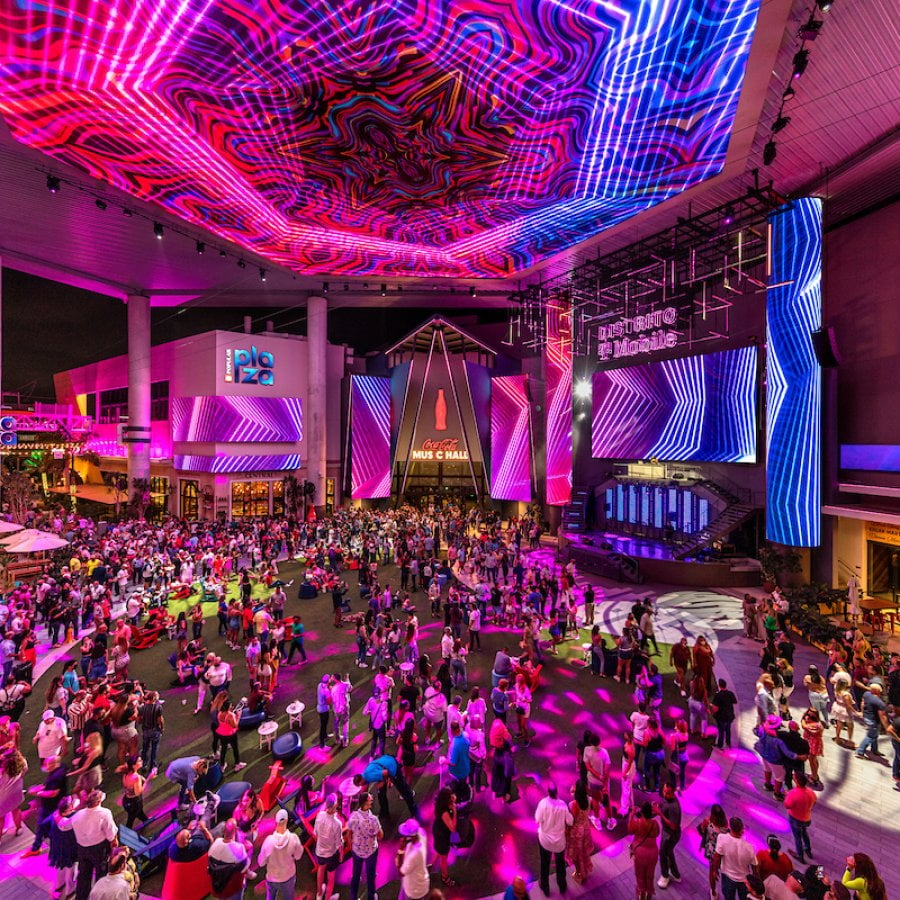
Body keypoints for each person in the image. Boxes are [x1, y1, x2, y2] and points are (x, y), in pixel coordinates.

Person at [57, 788, 118, 900]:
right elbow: (111, 835)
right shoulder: (105, 813)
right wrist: (114, 845)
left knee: (84, 876)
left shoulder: (78, 814)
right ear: (99, 801)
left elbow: (64, 826)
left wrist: (57, 815)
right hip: (99, 850)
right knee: (101, 875)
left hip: (82, 849)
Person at [535, 782, 573, 896]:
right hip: (559, 842)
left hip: (545, 840)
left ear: (548, 793)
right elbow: (570, 821)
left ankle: (545, 888)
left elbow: (537, 819)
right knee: (560, 864)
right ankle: (562, 886)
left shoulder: (542, 803)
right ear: (557, 793)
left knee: (544, 864)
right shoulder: (562, 805)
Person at [258, 808, 303, 900]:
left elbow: (261, 862)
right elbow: (298, 856)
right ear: (286, 820)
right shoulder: (293, 839)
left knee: (270, 897)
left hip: (272, 877)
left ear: (276, 822)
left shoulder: (268, 841)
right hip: (288, 876)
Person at [345, 792, 382, 900]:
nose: (372, 799)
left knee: (356, 875)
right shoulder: (373, 820)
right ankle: (371, 897)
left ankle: (353, 897)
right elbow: (380, 836)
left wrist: (350, 843)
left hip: (357, 850)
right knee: (371, 876)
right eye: (370, 798)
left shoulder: (354, 816)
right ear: (365, 802)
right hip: (370, 851)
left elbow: (349, 831)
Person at [712, 816, 758, 900]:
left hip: (727, 876)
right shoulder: (749, 848)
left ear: (730, 827)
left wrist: (714, 870)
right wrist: (755, 883)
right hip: (744, 879)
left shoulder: (721, 838)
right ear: (742, 830)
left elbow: (717, 857)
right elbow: (754, 867)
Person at [208, 818, 251, 900]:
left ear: (223, 830)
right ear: (235, 830)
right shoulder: (239, 848)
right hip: (233, 887)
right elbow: (245, 868)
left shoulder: (215, 844)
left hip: (218, 885)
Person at [313, 794, 344, 900]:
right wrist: (341, 854)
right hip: (331, 854)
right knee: (331, 878)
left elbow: (315, 833)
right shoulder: (337, 823)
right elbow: (339, 843)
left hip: (320, 851)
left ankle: (319, 894)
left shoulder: (320, 815)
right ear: (335, 805)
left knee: (321, 869)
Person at [627, 801, 660, 900]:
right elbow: (657, 834)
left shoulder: (637, 823)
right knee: (650, 876)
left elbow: (629, 831)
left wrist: (631, 815)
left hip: (640, 854)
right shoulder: (655, 824)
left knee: (640, 876)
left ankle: (641, 896)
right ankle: (649, 897)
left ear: (641, 812)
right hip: (653, 853)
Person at [49, 795, 79, 899]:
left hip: (58, 848)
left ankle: (59, 886)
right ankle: (69, 891)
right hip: (70, 849)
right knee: (70, 870)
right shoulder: (71, 819)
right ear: (69, 808)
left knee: (61, 868)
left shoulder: (55, 815)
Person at [566, 780, 594, 885]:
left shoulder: (573, 804)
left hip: (576, 832)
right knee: (584, 852)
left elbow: (572, 821)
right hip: (586, 829)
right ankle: (585, 869)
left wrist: (567, 832)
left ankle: (579, 874)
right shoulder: (589, 800)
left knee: (577, 856)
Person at [698, 804, 729, 899]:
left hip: (711, 850)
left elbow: (702, 830)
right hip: (722, 851)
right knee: (724, 870)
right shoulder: (725, 824)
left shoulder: (707, 821)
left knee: (712, 871)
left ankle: (713, 893)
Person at [655, 783, 682, 889]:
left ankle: (665, 876)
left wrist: (659, 813)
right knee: (668, 852)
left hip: (670, 835)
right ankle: (675, 874)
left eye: (668, 793)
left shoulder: (674, 807)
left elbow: (673, 826)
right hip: (668, 833)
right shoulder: (669, 799)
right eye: (664, 791)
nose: (665, 794)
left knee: (663, 853)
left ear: (674, 791)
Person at [397, 818, 430, 900]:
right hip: (415, 882)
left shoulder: (414, 855)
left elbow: (401, 872)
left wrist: (400, 850)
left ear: (410, 837)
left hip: (414, 890)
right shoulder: (421, 833)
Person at [432, 787, 458, 888]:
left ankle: (432, 864)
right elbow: (452, 828)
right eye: (450, 799)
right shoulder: (445, 813)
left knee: (439, 850)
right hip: (442, 835)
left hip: (438, 830)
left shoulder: (440, 805)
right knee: (444, 857)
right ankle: (445, 877)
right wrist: (455, 812)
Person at [855, 683, 889, 760]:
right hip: (874, 721)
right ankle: (860, 751)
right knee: (870, 736)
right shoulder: (879, 703)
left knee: (875, 735)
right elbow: (882, 717)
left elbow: (862, 703)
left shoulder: (866, 694)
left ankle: (874, 749)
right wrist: (887, 728)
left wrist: (862, 712)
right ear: (878, 691)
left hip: (867, 717)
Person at [0, 747, 27, 839]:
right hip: (16, 793)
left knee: (1, 817)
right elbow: (24, 773)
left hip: (3, 797)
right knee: (16, 810)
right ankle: (19, 828)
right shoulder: (22, 763)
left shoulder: (2, 772)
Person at [711, 679, 738, 750]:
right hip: (729, 715)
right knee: (728, 730)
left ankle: (720, 745)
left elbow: (715, 708)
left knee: (721, 731)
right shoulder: (730, 693)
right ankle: (728, 743)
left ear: (719, 685)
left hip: (721, 716)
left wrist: (713, 712)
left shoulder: (718, 695)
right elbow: (735, 701)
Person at [317, 674, 333, 750]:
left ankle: (325, 735)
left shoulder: (319, 685)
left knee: (323, 724)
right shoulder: (326, 691)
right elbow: (329, 701)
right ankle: (322, 746)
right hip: (324, 710)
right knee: (323, 726)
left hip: (319, 708)